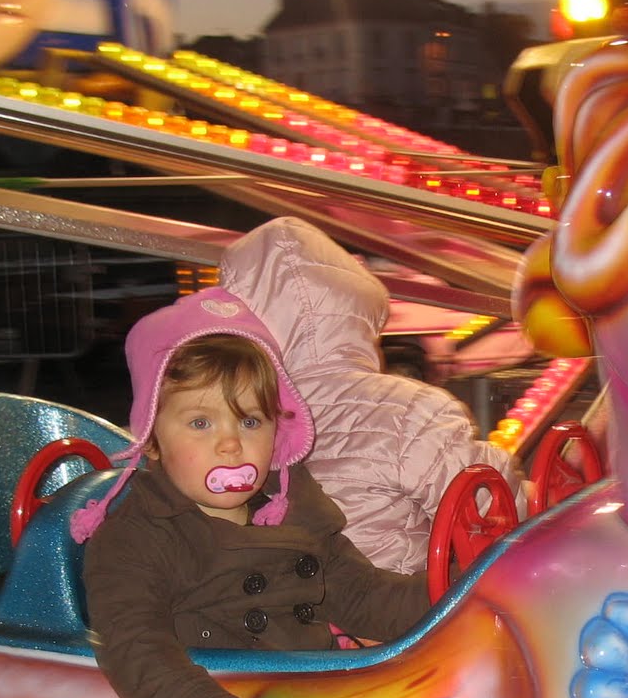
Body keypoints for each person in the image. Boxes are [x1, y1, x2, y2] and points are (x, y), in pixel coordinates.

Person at [74, 286, 430, 698]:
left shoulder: (295, 509)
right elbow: (132, 642)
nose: (230, 443)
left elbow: (361, 594)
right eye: (201, 422)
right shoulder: (137, 533)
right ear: (151, 439)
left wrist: (460, 591)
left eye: (249, 420)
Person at [219, 217, 525, 575]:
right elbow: (491, 509)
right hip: (398, 603)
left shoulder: (233, 417)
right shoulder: (411, 410)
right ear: (356, 313)